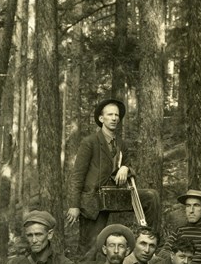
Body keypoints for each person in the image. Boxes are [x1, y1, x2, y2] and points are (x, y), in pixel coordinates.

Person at [66, 99, 161, 252]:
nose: (114, 118)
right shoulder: (89, 142)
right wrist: (74, 205)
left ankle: (149, 240)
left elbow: (131, 166)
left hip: (114, 195)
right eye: (110, 114)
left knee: (151, 196)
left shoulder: (121, 144)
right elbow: (77, 175)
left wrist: (125, 168)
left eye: (116, 115)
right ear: (101, 119)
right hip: (94, 199)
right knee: (90, 248)